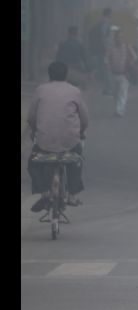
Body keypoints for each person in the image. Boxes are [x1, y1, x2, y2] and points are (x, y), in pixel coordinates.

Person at [27, 62, 88, 212]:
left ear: (49, 74)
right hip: (69, 142)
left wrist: (35, 131)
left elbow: (31, 117)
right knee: (76, 159)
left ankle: (44, 193)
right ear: (66, 75)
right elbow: (84, 119)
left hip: (44, 143)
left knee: (33, 163)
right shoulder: (75, 91)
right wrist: (81, 132)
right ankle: (72, 194)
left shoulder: (40, 90)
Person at [104, 28, 137, 117]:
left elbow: (134, 57)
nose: (120, 39)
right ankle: (119, 107)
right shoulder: (111, 48)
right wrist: (107, 65)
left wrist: (131, 64)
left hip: (124, 74)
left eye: (121, 37)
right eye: (118, 37)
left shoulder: (127, 47)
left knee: (122, 93)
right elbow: (106, 58)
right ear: (115, 38)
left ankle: (119, 110)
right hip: (113, 74)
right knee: (115, 94)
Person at [88, 8, 113, 94]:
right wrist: (107, 48)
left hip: (98, 49)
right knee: (105, 69)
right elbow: (103, 36)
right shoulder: (106, 22)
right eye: (111, 13)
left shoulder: (100, 22)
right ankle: (108, 88)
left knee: (101, 68)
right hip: (103, 49)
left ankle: (102, 88)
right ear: (109, 14)